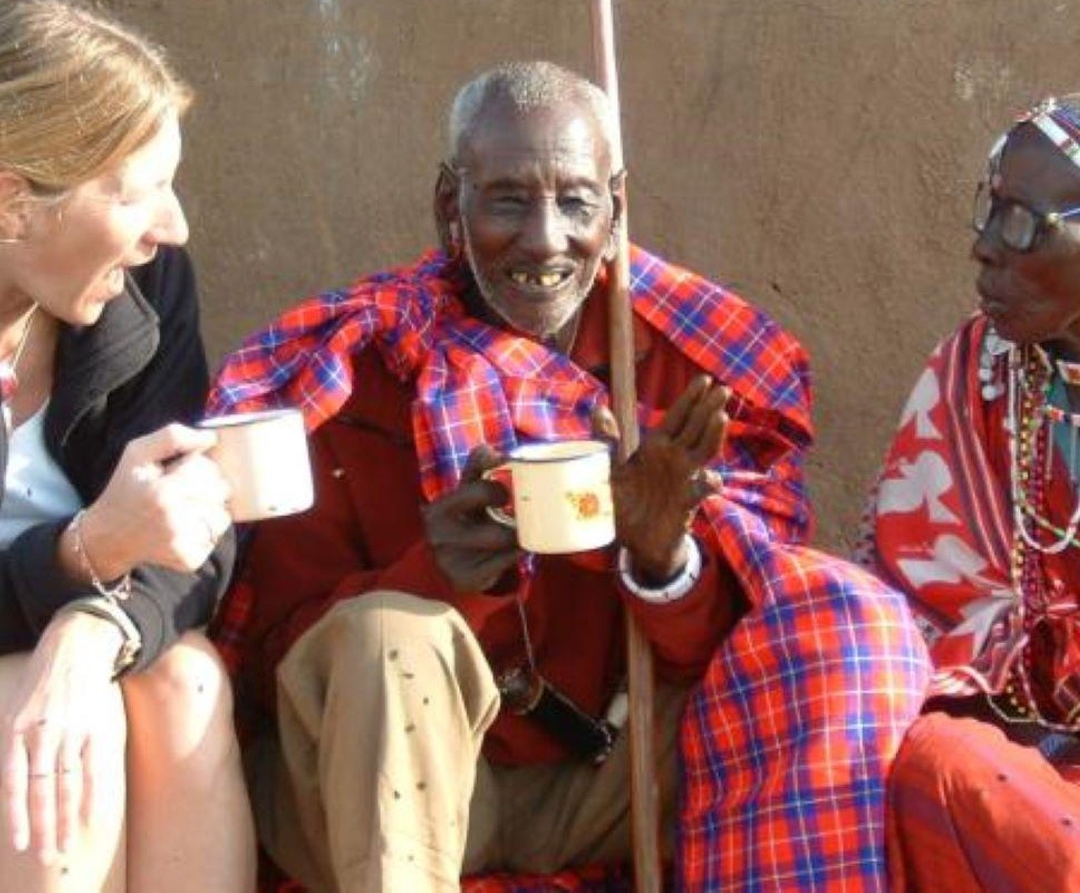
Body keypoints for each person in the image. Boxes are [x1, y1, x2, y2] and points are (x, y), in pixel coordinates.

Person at [210, 60, 929, 892]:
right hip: (396, 799)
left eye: (577, 203)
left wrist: (663, 561)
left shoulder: (680, 370)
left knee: (834, 628)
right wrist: (433, 578)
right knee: (388, 636)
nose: (546, 240)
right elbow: (276, 660)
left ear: (616, 208)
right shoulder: (360, 366)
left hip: (612, 781)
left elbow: (736, 646)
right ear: (450, 205)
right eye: (508, 200)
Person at [0, 0, 255, 892]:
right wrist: (81, 555)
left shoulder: (146, 287)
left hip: (65, 630)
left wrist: (94, 623)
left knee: (184, 685)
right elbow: (107, 543)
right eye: (137, 191)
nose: (172, 226)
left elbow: (198, 530)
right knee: (56, 728)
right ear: (11, 202)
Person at [860, 96, 1080, 891]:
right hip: (1025, 763)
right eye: (991, 209)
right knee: (938, 764)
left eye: (1023, 224)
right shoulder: (978, 371)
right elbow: (911, 602)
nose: (984, 246)